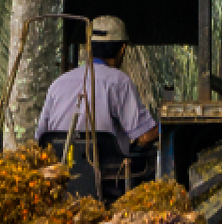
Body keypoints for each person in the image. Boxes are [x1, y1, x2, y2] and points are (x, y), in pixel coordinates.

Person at [34, 15, 158, 153]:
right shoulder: (119, 81)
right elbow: (144, 136)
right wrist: (166, 127)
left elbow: (40, 137)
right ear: (123, 49)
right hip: (108, 171)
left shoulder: (58, 83)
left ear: (88, 47)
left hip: (60, 169)